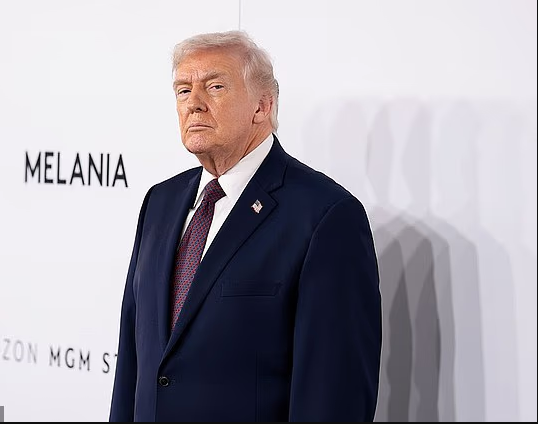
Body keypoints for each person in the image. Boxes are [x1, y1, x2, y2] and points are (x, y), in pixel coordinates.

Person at [109, 30, 381, 422]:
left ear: (262, 106)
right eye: (183, 91)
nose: (194, 104)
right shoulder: (160, 202)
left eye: (214, 87)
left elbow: (334, 395)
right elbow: (133, 366)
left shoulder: (325, 216)